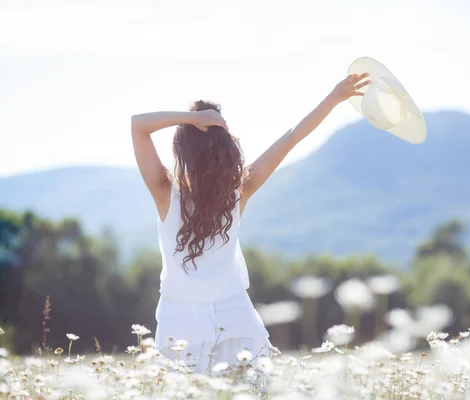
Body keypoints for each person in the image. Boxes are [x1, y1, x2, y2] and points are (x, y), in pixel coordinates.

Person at [130, 72, 370, 373]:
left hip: (182, 321)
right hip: (235, 318)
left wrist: (191, 119)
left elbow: (138, 125)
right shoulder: (238, 191)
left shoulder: (165, 192)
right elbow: (292, 136)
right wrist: (334, 98)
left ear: (182, 149)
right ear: (225, 150)